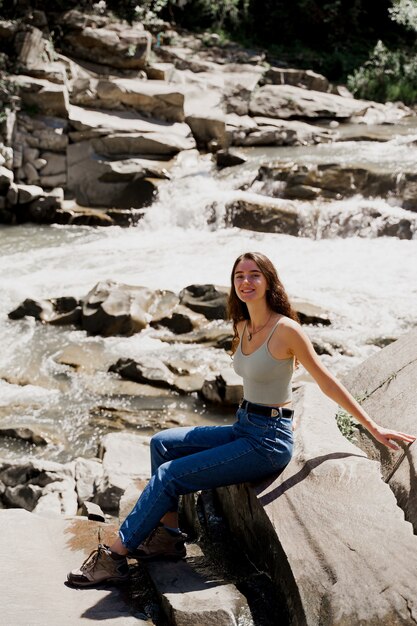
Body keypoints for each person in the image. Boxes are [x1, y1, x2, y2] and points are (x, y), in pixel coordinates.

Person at [67, 251, 416, 587]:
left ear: (268, 282)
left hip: (267, 442)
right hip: (244, 426)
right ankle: (167, 538)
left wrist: (372, 426)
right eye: (239, 276)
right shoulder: (242, 325)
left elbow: (326, 380)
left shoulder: (287, 330)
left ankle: (115, 557)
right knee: (162, 444)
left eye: (254, 275)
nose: (246, 281)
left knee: (170, 476)